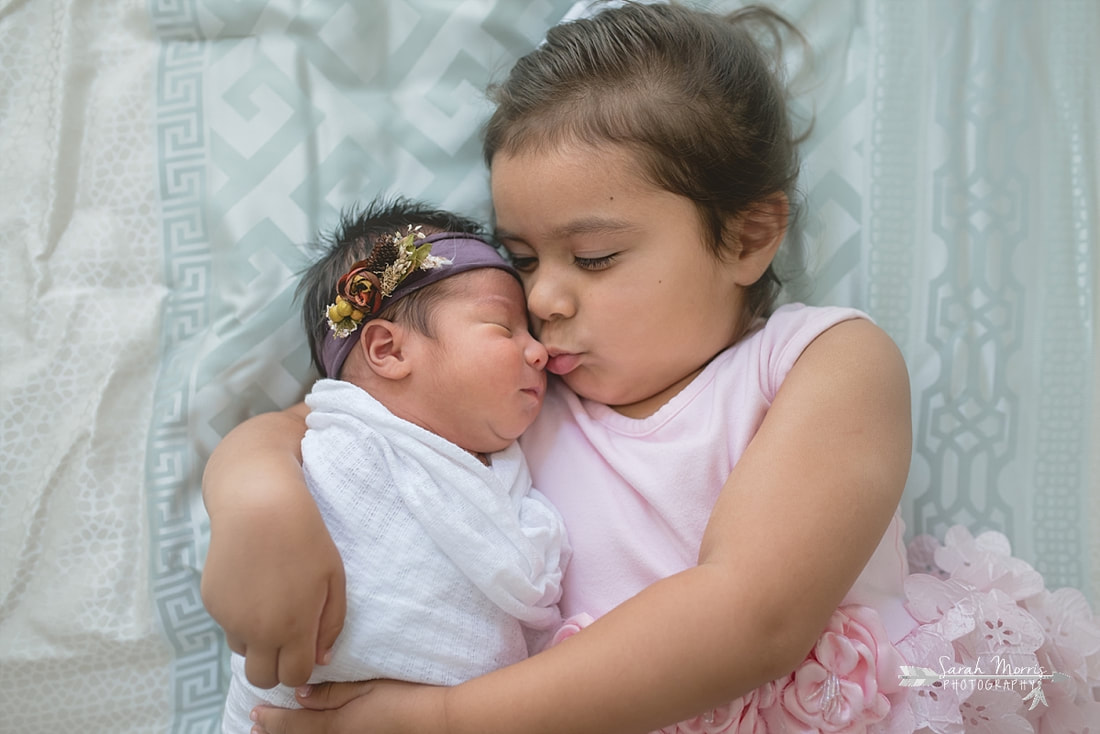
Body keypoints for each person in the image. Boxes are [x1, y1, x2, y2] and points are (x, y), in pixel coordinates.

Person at [201, 4, 1098, 733]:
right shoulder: (518, 390)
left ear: (747, 236)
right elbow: (330, 421)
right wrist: (258, 501)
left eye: (592, 259)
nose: (543, 299)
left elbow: (751, 615)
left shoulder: (819, 363)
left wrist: (446, 720)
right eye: (520, 258)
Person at [212, 199, 569, 734]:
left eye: (531, 334)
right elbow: (262, 440)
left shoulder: (517, 455)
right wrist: (261, 502)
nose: (539, 352)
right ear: (387, 349)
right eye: (503, 327)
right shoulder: (341, 433)